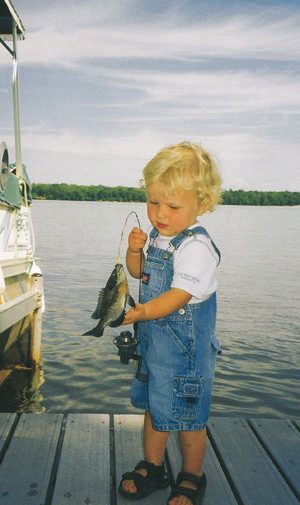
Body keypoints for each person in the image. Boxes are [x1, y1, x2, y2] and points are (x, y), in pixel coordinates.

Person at [118, 141, 222, 505]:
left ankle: (192, 475)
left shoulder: (196, 247)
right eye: (153, 202)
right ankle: (154, 465)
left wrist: (142, 313)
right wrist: (134, 252)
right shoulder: (159, 239)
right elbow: (140, 274)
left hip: (186, 357)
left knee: (190, 419)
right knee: (156, 408)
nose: (160, 213)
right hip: (155, 349)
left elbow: (177, 296)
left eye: (173, 206)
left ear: (202, 204)